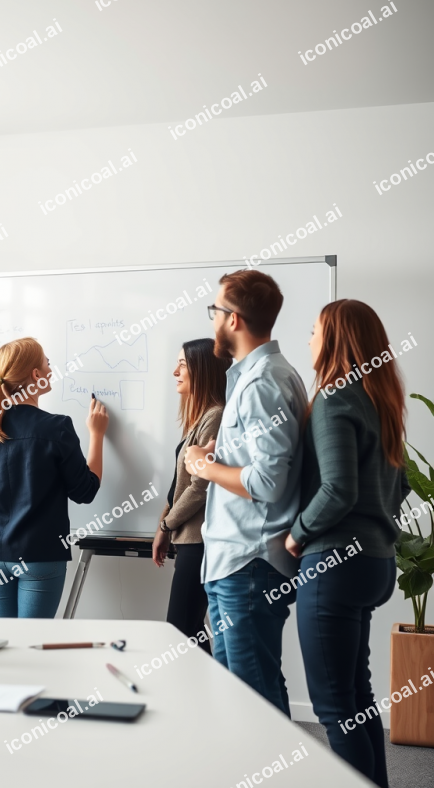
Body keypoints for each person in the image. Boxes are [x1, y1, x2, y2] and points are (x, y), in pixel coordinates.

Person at [286, 300, 408, 788]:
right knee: (358, 701)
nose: (310, 339)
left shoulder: (335, 398)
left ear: (335, 339)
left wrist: (297, 534)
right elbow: (396, 491)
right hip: (375, 563)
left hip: (333, 566)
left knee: (336, 708)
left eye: (314, 331)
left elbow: (338, 489)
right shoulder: (382, 403)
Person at [185, 269, 307, 715]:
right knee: (247, 692)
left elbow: (268, 482)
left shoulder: (262, 383)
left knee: (253, 701)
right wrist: (224, 451)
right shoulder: (255, 377)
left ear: (233, 319)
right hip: (232, 562)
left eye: (215, 310)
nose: (212, 319)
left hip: (249, 564)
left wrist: (204, 465)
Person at [0, 337, 108, 618]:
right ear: (35, 375)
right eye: (47, 362)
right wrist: (97, 435)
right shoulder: (57, 428)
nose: (50, 368)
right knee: (30, 646)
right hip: (40, 555)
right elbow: (85, 491)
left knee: (6, 645)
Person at [152, 339, 230, 654]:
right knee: (189, 630)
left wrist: (168, 525)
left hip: (200, 540)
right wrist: (164, 526)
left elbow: (201, 484)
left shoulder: (216, 415)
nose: (175, 371)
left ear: (203, 369)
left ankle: (201, 697)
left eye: (182, 364)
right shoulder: (200, 418)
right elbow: (179, 484)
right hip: (188, 538)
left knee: (181, 629)